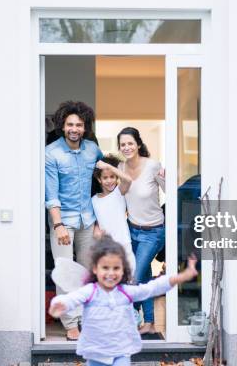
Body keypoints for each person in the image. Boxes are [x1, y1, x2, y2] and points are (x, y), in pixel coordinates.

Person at [48, 236, 198, 366]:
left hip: (120, 353)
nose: (110, 273)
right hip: (94, 353)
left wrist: (182, 276)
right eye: (105, 267)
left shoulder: (126, 292)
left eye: (116, 268)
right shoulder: (90, 291)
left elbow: (152, 288)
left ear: (123, 270)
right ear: (95, 269)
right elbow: (72, 298)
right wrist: (60, 303)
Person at [45, 100, 103, 340]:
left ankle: (86, 319)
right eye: (70, 124)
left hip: (88, 220)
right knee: (66, 272)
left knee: (88, 272)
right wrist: (57, 225)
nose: (74, 129)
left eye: (79, 125)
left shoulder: (92, 149)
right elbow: (51, 194)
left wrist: (101, 220)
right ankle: (70, 323)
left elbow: (105, 181)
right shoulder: (52, 153)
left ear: (84, 126)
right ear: (62, 125)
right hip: (64, 221)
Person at [116, 127, 165, 335]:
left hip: (153, 231)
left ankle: (130, 319)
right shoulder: (120, 167)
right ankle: (149, 323)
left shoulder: (153, 165)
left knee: (134, 277)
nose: (126, 147)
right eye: (122, 144)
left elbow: (169, 189)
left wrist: (165, 178)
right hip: (131, 230)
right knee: (143, 276)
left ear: (138, 144)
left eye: (130, 143)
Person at [91, 155, 136, 275]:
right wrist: (96, 228)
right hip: (106, 247)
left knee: (128, 277)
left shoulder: (118, 192)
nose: (109, 180)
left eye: (112, 177)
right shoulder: (94, 200)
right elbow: (97, 218)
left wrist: (107, 166)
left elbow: (128, 180)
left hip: (124, 244)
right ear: (99, 179)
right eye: (105, 178)